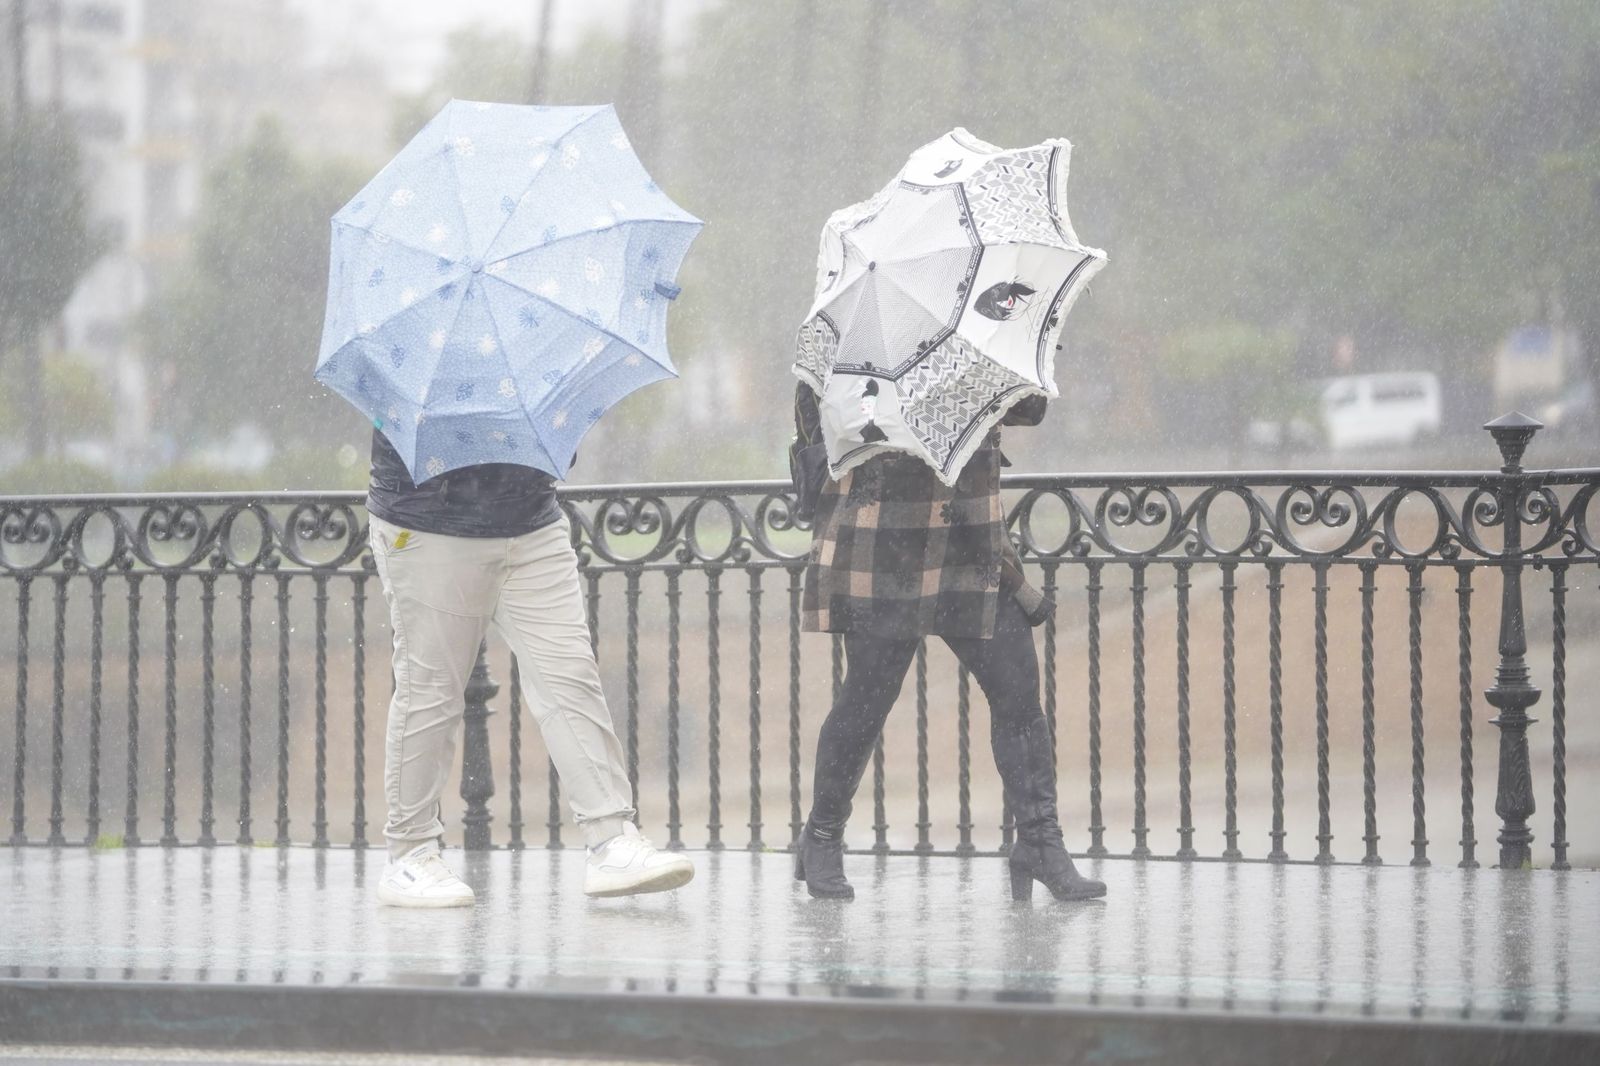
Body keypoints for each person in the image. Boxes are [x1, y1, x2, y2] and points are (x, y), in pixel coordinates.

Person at [792, 385, 1105, 902]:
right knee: (868, 698)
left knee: (1018, 692)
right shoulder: (850, 333)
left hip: (970, 536)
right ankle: (821, 835)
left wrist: (1002, 372)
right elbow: (824, 421)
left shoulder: (975, 323)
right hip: (880, 534)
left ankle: (1040, 844)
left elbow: (1031, 409)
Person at [366, 429, 693, 906]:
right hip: (427, 522)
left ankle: (610, 839)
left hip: (533, 522)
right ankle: (409, 853)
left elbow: (562, 441)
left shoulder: (536, 354)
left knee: (571, 677)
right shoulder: (422, 355)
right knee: (432, 690)